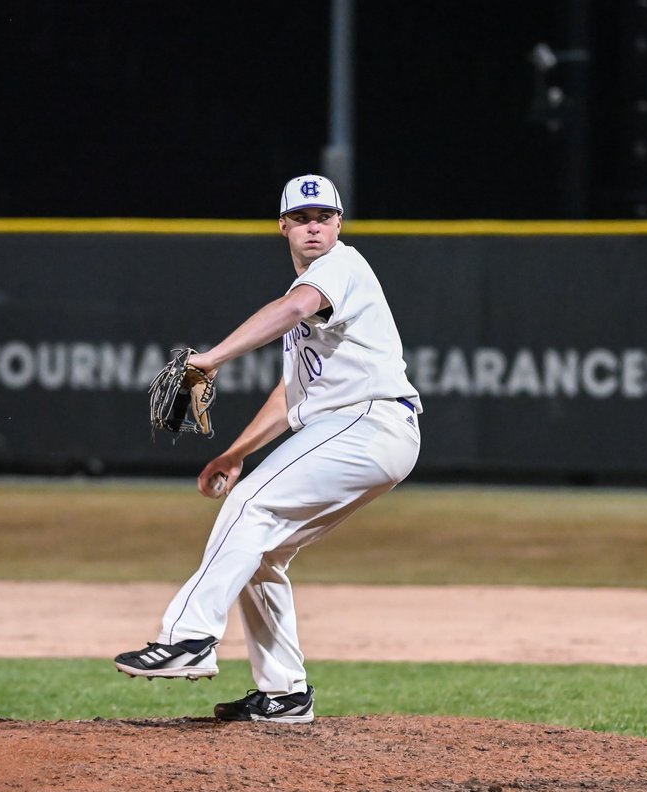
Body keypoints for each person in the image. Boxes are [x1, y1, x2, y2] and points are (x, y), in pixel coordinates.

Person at [115, 174, 422, 724]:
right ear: (283, 226)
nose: (313, 227)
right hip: (367, 431)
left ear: (339, 223)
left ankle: (188, 638)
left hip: (368, 422)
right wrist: (235, 453)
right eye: (302, 219)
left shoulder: (339, 268)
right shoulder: (314, 290)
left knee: (249, 506)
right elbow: (290, 396)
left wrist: (212, 357)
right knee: (262, 553)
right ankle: (285, 694)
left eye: (323, 217)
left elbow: (291, 310)